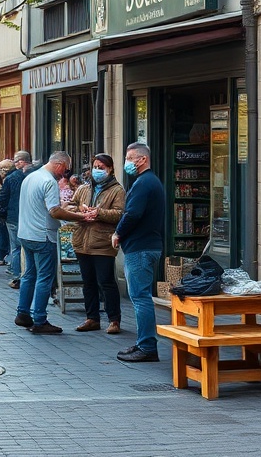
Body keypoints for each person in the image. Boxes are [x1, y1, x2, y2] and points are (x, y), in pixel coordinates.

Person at [14, 150, 84, 334]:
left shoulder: (30, 177)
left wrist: (65, 209)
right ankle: (39, 319)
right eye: (66, 170)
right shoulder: (49, 181)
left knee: (29, 274)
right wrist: (79, 216)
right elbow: (54, 211)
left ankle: (23, 313)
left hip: (26, 233)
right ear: (59, 164)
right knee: (45, 277)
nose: (65, 174)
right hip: (43, 235)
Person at [112, 142, 165, 362]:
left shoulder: (144, 183)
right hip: (147, 245)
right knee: (140, 296)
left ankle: (147, 347)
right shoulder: (149, 182)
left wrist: (118, 233)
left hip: (140, 248)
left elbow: (132, 214)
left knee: (140, 297)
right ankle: (144, 342)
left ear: (142, 159)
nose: (127, 163)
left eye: (130, 158)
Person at [70, 153, 126, 335]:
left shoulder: (117, 190)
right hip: (82, 240)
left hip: (102, 242)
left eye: (101, 167)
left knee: (106, 281)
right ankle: (92, 318)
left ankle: (114, 319)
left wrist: (98, 212)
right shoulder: (84, 188)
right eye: (95, 166)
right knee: (88, 282)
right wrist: (80, 210)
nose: (97, 170)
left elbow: (119, 214)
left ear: (110, 169)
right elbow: (69, 206)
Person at [0, 150, 30, 288]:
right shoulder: (35, 175)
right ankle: (28, 275)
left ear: (22, 162)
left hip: (14, 217)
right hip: (29, 217)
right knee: (27, 247)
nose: (14, 164)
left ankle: (17, 276)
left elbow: (3, 198)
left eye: (16, 161)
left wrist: (1, 211)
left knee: (16, 248)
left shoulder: (11, 178)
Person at [0, 159, 13, 266]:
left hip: (5, 211)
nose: (1, 171)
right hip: (3, 211)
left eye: (4, 169)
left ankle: (3, 254)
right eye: (0, 169)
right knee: (3, 232)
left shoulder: (7, 180)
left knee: (4, 233)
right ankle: (3, 254)